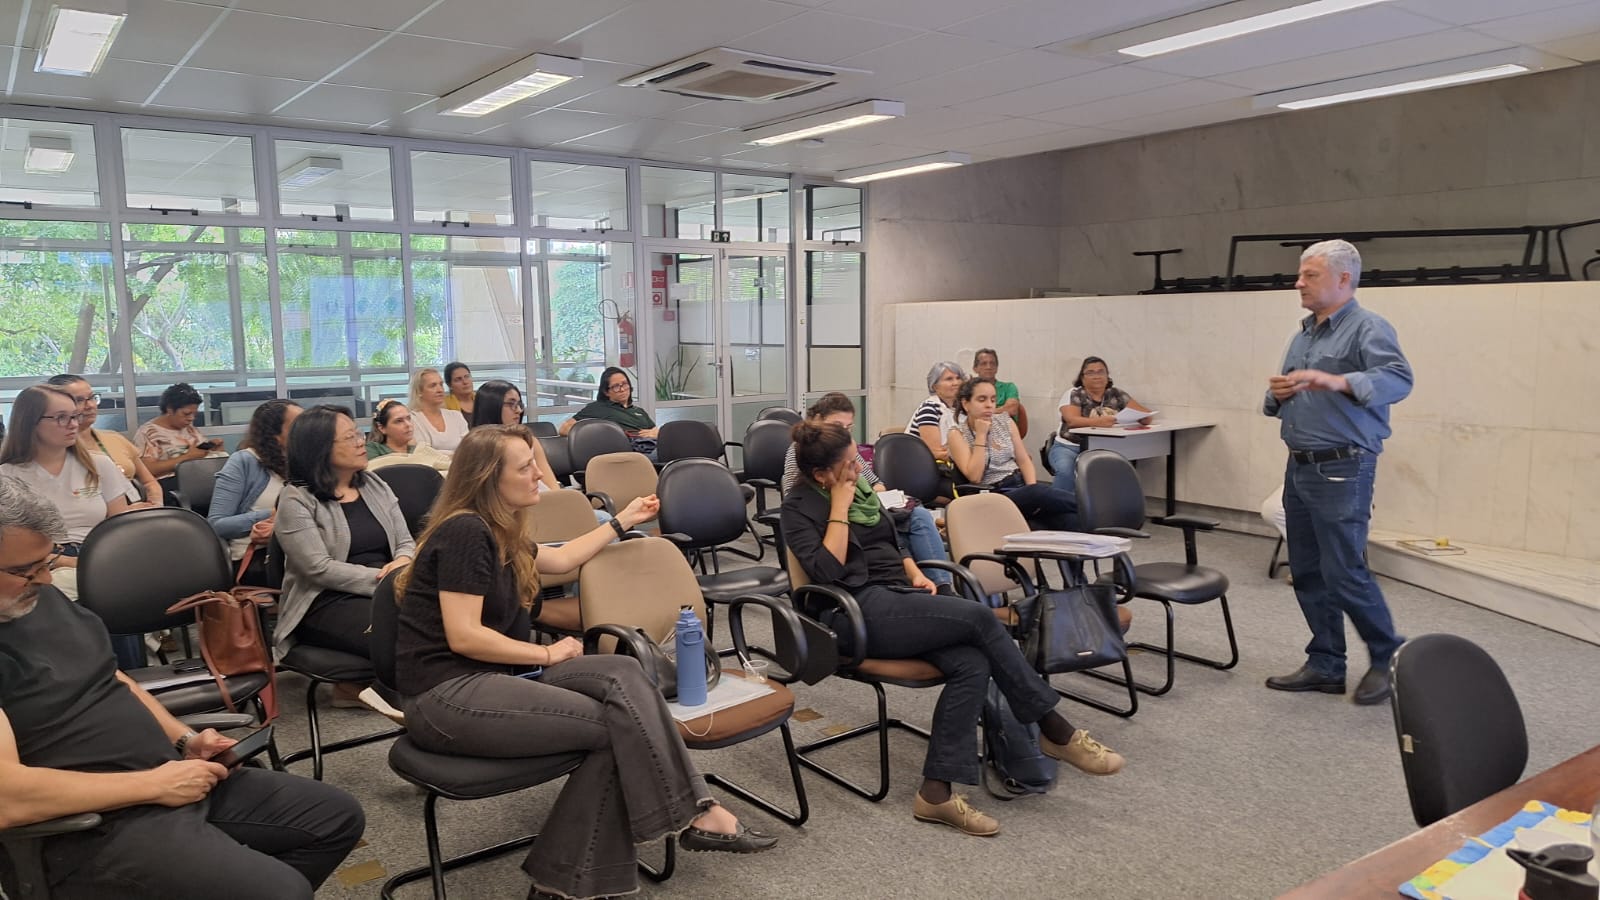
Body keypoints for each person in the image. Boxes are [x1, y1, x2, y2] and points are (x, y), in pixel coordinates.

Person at [394, 426, 776, 900]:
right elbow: (464, 635)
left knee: (623, 673)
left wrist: (624, 520)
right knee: (620, 727)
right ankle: (695, 814)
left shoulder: (498, 528)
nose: (540, 473)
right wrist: (547, 652)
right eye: (525, 467)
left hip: (496, 679)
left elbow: (564, 558)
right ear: (489, 479)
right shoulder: (465, 532)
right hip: (446, 694)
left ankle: (582, 871)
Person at [0, 475, 366, 899]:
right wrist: (155, 785)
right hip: (92, 824)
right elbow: (9, 799)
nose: (45, 579)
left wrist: (184, 739)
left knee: (334, 818)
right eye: (25, 571)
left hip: (164, 778)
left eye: (48, 561)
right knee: (280, 891)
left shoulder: (32, 598)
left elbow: (111, 678)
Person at [782, 421, 1124, 837]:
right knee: (979, 616)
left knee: (971, 662)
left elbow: (892, 544)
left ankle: (935, 793)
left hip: (895, 598)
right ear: (821, 475)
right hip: (850, 613)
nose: (858, 469)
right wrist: (838, 505)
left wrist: (913, 573)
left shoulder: (863, 493)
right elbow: (825, 570)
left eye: (857, 458)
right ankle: (1054, 728)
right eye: (850, 464)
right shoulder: (799, 505)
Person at [1264, 239, 1413, 706]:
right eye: (1301, 274)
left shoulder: (1368, 327)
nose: (1299, 283)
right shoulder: (1304, 333)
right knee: (1307, 570)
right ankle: (1326, 663)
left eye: (1310, 275)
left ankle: (1390, 658)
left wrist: (1341, 380)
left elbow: (1399, 378)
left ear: (1344, 279)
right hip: (1299, 465)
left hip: (1343, 467)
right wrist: (1280, 394)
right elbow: (1281, 396)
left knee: (1345, 570)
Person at [275, 406, 414, 694]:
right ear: (321, 448)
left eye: (358, 434)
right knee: (405, 631)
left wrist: (402, 562)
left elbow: (405, 542)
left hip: (387, 586)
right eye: (350, 438)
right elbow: (318, 568)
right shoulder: (296, 499)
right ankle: (408, 700)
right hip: (324, 601)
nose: (361, 442)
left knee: (441, 616)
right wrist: (387, 581)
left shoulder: (374, 484)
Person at [781, 393, 951, 585]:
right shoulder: (804, 454)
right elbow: (797, 499)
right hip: (841, 522)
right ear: (819, 421)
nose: (845, 432)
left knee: (918, 515)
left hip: (862, 509)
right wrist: (841, 502)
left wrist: (870, 497)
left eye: (849, 427)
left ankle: (941, 584)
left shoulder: (847, 450)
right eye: (838, 426)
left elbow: (876, 483)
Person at [0, 385, 138, 601]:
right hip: (41, 563)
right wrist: (64, 561)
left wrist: (97, 561)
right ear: (30, 423)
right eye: (61, 418)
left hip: (99, 555)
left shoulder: (99, 465)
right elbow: (10, 547)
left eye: (75, 416)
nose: (74, 425)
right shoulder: (7, 476)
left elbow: (121, 528)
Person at [948, 377, 1078, 532]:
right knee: (1039, 492)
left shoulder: (1004, 421)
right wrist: (981, 435)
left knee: (1072, 520)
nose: (989, 405)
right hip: (993, 494)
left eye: (993, 399)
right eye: (981, 400)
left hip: (1021, 487)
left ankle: (1092, 524)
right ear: (966, 404)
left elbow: (1023, 460)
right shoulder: (957, 434)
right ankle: (1095, 508)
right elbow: (974, 476)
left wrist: (1032, 492)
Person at [209, 399, 302, 583]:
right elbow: (217, 524)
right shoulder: (245, 461)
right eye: (298, 425)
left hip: (302, 551)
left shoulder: (308, 461)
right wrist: (273, 514)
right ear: (275, 434)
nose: (308, 430)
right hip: (261, 558)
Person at [1045, 357, 1152, 500]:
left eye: (1101, 372)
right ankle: (1058, 512)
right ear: (1082, 378)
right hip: (1069, 448)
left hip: (1104, 449)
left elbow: (1144, 413)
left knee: (1118, 475)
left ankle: (1107, 513)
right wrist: (1098, 422)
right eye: (1090, 373)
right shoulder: (1074, 394)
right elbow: (1072, 421)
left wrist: (1144, 417)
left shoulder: (1116, 394)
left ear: (1107, 376)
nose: (1096, 376)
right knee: (1066, 472)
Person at [47, 374, 163, 505]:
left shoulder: (114, 438)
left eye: (91, 397)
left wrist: (155, 506)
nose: (90, 405)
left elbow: (149, 482)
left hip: (137, 512)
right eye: (79, 400)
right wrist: (122, 513)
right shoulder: (55, 452)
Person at [134, 382, 223, 479]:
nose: (191, 418)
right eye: (186, 414)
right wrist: (186, 458)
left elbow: (200, 455)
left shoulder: (189, 429)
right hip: (168, 483)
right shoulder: (148, 433)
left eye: (195, 414)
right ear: (170, 410)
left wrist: (216, 452)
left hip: (198, 478)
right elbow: (146, 469)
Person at [560, 367, 658, 440]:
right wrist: (604, 435)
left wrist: (656, 433)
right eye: (616, 386)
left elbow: (655, 431)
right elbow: (564, 429)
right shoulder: (597, 408)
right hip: (624, 450)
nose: (622, 389)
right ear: (606, 392)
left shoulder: (639, 411)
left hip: (649, 446)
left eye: (624, 384)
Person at [365, 400, 451, 473]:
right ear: (382, 428)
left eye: (408, 419)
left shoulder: (421, 450)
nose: (408, 425)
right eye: (399, 421)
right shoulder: (372, 451)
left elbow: (445, 465)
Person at [904, 361, 964, 464]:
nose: (956, 383)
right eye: (949, 379)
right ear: (935, 386)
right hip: (922, 466)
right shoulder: (929, 408)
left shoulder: (960, 408)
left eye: (958, 378)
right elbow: (936, 453)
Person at [409, 368, 469, 454]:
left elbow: (468, 449)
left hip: (459, 466)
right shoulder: (412, 419)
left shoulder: (456, 416)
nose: (440, 390)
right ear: (419, 391)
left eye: (441, 384)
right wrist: (453, 455)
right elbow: (422, 453)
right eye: (433, 386)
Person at [972, 349, 1026, 437]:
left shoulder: (1009, 387)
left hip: (1005, 435)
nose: (988, 367)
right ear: (975, 368)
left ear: (997, 368)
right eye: (984, 363)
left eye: (992, 363)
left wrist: (982, 413)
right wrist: (1001, 409)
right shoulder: (970, 389)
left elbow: (1011, 409)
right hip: (975, 433)